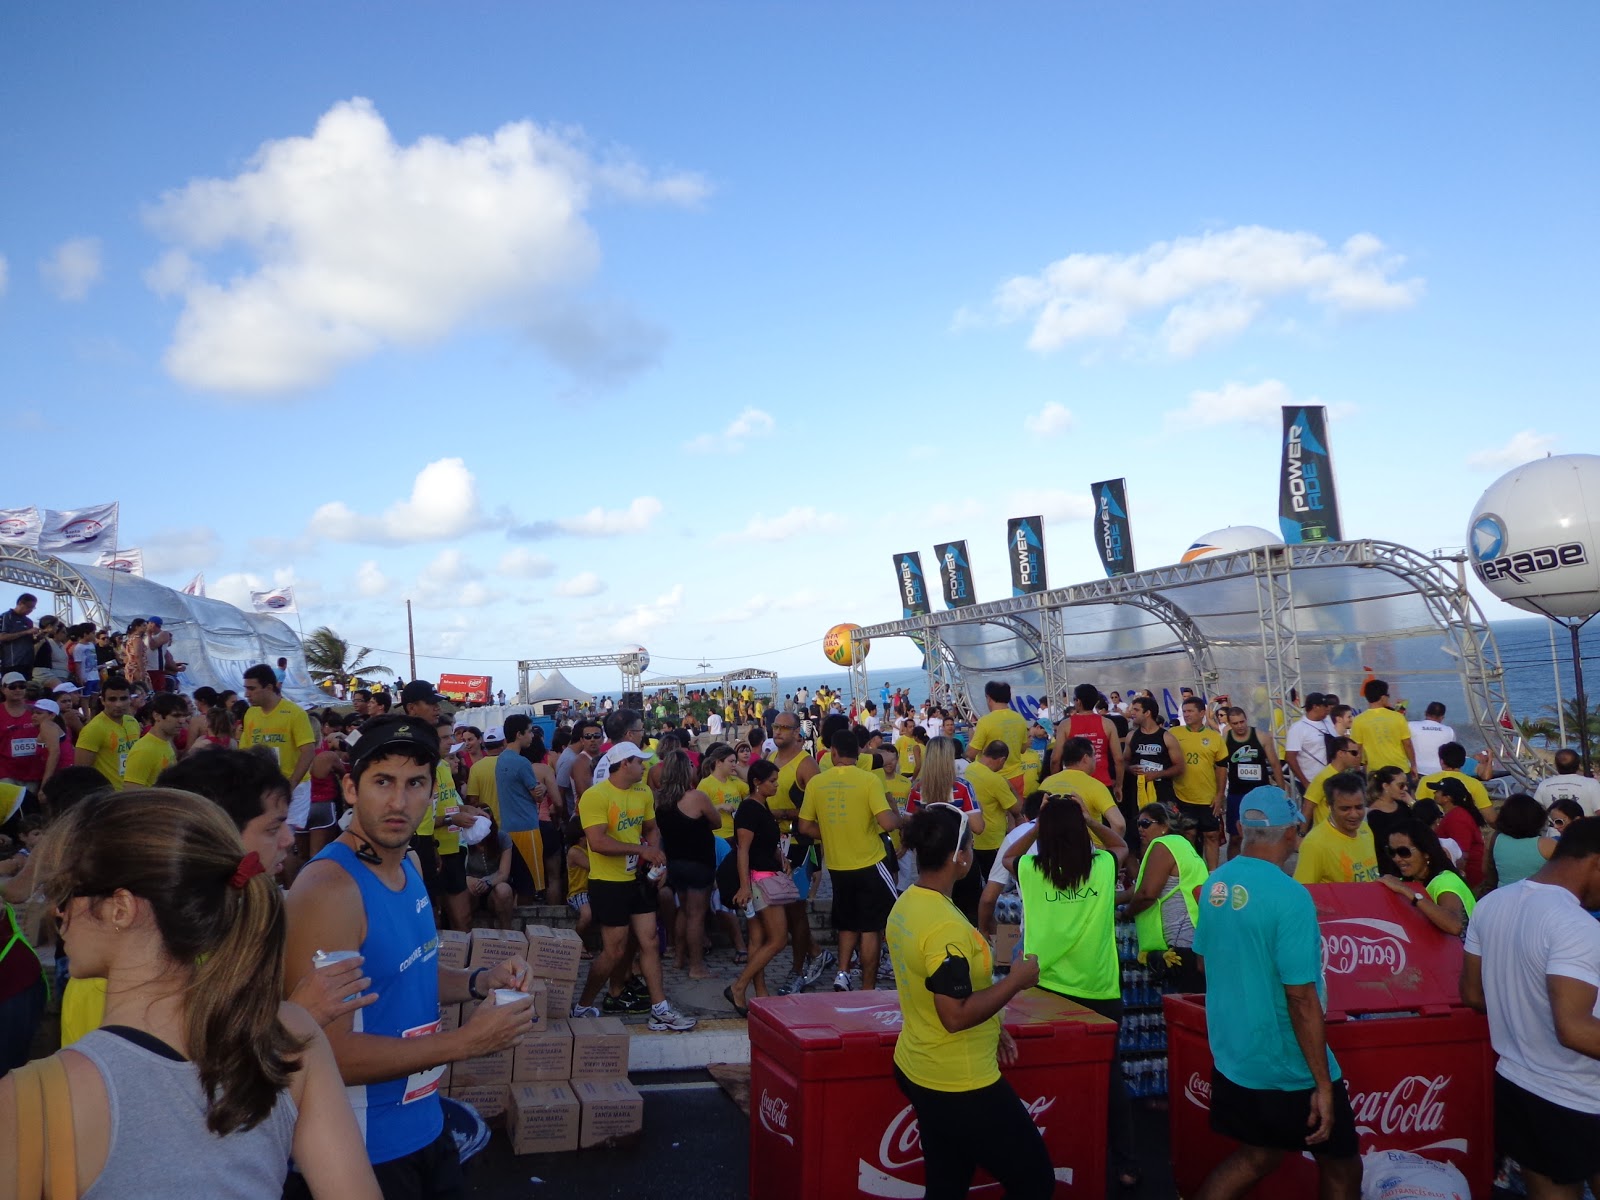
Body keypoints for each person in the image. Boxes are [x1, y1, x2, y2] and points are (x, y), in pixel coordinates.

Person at [1, 787, 382, 1199]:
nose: (57, 910)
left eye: (65, 892)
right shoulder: (291, 1034)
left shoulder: (31, 1099)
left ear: (121, 909)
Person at [283, 715, 538, 1195]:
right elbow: (319, 1053)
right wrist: (467, 1042)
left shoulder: (410, 863)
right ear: (351, 789)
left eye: (415, 783)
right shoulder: (328, 889)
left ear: (433, 791)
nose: (399, 802)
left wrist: (481, 980)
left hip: (424, 1125)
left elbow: (406, 969)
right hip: (361, 1148)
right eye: (383, 782)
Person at [1191, 785, 1360, 1200]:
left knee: (1257, 1157)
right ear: (1291, 834)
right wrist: (1322, 1083)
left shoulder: (1217, 882)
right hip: (1287, 1062)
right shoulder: (1290, 896)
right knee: (1343, 1165)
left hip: (1235, 1054)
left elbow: (1203, 961)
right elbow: (1301, 998)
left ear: (1240, 828)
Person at [885, 804, 1052, 1200]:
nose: (973, 851)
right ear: (958, 856)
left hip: (919, 1064)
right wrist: (1015, 982)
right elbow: (955, 1016)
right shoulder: (945, 927)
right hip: (958, 1080)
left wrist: (992, 1025)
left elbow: (946, 996)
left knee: (947, 1185)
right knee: (1035, 1182)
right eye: (971, 844)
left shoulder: (909, 901)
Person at [1003, 790, 1137, 1188]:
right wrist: (1088, 818)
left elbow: (1008, 855)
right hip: (1099, 986)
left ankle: (1055, 1151)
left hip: (1042, 988)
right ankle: (1126, 1163)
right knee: (1110, 1079)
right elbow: (1121, 843)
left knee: (1048, 1076)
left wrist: (1038, 822)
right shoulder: (1101, 867)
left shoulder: (1031, 869)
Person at [1461, 817, 1600, 1199]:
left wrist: (1527, 1007)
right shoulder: (1577, 927)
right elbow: (1573, 1028)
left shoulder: (1490, 904)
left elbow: (1472, 994)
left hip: (1518, 1084)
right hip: (1583, 1095)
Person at [572, 742, 697, 1031]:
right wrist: (641, 851)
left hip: (638, 880)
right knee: (613, 951)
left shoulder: (642, 792)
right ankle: (583, 1005)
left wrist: (655, 861)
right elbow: (597, 842)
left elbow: (651, 828)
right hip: (608, 882)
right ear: (624, 764)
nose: (645, 768)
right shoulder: (595, 796)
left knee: (650, 942)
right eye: (639, 762)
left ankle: (660, 1008)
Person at [796, 729, 906, 992]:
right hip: (870, 862)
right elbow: (887, 822)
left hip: (837, 866)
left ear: (833, 753)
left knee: (847, 922)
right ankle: (868, 988)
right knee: (872, 928)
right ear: (858, 754)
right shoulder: (868, 780)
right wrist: (901, 817)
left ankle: (843, 973)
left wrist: (832, 834)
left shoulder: (816, 783)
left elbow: (804, 826)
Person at [722, 759, 793, 1012]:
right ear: (757, 783)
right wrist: (744, 887)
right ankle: (739, 986)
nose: (776, 785)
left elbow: (765, 843)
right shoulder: (750, 809)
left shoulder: (762, 806)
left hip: (763, 874)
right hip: (759, 880)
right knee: (778, 939)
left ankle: (759, 991)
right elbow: (743, 850)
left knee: (758, 938)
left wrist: (780, 858)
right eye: (772, 781)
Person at [1119, 802, 1207, 992]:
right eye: (1139, 825)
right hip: (1197, 938)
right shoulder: (1183, 846)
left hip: (1180, 944)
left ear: (1164, 826)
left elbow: (1146, 894)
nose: (1140, 829)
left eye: (1146, 823)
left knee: (1184, 1008)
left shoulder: (1163, 845)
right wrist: (1107, 898)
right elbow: (1137, 890)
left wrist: (1127, 913)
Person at [241, 663, 316, 872]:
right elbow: (246, 752)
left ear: (269, 687)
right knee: (262, 841)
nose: (247, 694)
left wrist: (290, 785)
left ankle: (290, 894)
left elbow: (308, 751)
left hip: (295, 787)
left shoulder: (294, 713)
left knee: (284, 842)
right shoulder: (250, 715)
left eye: (252, 688)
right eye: (246, 688)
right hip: (264, 788)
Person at [654, 749, 719, 982]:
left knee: (683, 910)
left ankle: (679, 958)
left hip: (675, 862)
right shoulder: (696, 797)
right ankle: (696, 966)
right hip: (699, 861)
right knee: (696, 915)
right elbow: (717, 822)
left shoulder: (660, 801)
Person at [1379, 821, 1474, 936]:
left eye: (1404, 852)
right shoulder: (1412, 880)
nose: (1397, 859)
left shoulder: (1445, 881)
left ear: (1426, 853)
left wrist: (1406, 891)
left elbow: (1455, 926)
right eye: (1391, 852)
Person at [957, 740, 1018, 912]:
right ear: (1001, 759)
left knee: (974, 889)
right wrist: (1011, 787)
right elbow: (1016, 808)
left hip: (970, 841)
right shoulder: (996, 780)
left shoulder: (969, 769)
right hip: (992, 842)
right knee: (996, 890)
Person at [495, 714, 548, 902]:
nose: (532, 736)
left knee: (516, 884)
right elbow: (537, 794)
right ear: (519, 734)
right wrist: (544, 787)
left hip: (508, 827)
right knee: (531, 886)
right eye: (530, 732)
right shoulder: (522, 762)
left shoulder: (501, 759)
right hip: (527, 828)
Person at [1171, 696, 1228, 868]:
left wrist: (1219, 795)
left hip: (1208, 798)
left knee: (1211, 835)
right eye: (1184, 711)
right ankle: (1193, 873)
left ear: (1202, 713)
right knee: (1188, 834)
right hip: (1182, 796)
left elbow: (1221, 768)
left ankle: (1212, 875)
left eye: (1190, 711)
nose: (1186, 715)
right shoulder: (1174, 734)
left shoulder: (1214, 737)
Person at [1293, 772, 1380, 885]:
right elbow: (1303, 891)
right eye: (1345, 809)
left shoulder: (1365, 829)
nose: (1354, 814)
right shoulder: (1315, 844)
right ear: (1329, 805)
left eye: (1359, 807)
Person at [1221, 706, 1285, 855]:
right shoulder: (1225, 740)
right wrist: (1220, 794)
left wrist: (1281, 793)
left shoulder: (1262, 737)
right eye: (1235, 723)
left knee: (1263, 835)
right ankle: (1234, 871)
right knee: (1235, 837)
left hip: (1260, 794)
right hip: (1237, 793)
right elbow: (1220, 768)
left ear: (1246, 719)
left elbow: (1275, 765)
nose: (1240, 726)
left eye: (1242, 722)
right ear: (1230, 724)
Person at [1051, 682, 1124, 791]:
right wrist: (1119, 785)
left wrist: (1055, 783)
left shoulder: (1066, 724)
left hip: (1073, 785)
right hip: (1102, 784)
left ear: (1078, 701)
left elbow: (1055, 759)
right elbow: (1119, 759)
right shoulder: (1107, 724)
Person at [74, 674, 140, 789]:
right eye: (112, 699)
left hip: (132, 793)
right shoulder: (93, 729)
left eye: (123, 698)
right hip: (109, 797)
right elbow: (81, 773)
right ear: (103, 701)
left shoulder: (132, 722)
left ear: (130, 699)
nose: (118, 704)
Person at [1484, 792, 1557, 889]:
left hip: (1504, 895)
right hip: (1538, 897)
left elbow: (1485, 870)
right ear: (1538, 818)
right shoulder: (1549, 845)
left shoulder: (1493, 838)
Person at [969, 681, 1029, 798]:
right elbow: (1023, 749)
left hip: (991, 778)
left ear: (988, 698)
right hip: (1016, 777)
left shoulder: (985, 721)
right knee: (1016, 813)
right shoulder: (1020, 719)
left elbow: (971, 753)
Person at [1126, 695, 1183, 811]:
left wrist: (1157, 774)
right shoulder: (1131, 736)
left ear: (1147, 713)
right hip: (1138, 793)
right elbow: (1123, 761)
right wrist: (1130, 768)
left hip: (1162, 792)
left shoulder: (1167, 737)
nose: (1132, 713)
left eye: (1136, 710)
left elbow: (1180, 767)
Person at [1415, 741, 1494, 823]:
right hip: (1463, 826)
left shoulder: (1426, 780)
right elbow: (1491, 818)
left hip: (1436, 828)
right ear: (1463, 762)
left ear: (1442, 761)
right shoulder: (1475, 784)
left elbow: (1419, 811)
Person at [122, 692, 189, 787]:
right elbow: (131, 794)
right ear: (157, 716)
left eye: (184, 716)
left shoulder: (165, 743)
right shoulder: (144, 750)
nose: (182, 721)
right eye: (176, 716)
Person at [1350, 679, 1415, 776]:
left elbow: (1357, 749)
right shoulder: (1398, 717)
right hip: (1399, 769)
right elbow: (1407, 744)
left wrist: (1357, 769)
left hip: (1375, 771)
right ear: (1382, 697)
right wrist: (1413, 764)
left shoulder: (1359, 720)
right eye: (1388, 695)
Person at [1432, 777, 1488, 890]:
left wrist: (1459, 880)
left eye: (1437, 791)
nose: (1434, 793)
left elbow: (1462, 854)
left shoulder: (1457, 818)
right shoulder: (1455, 815)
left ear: (1447, 798)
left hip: (1469, 877)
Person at [1301, 736, 1363, 828]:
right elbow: (1308, 807)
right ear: (1341, 753)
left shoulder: (1347, 776)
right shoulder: (1323, 777)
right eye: (1354, 753)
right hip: (1326, 835)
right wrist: (1301, 833)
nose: (1358, 756)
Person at [1364, 766, 1414, 877]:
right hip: (1389, 868)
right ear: (1386, 786)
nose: (1405, 788)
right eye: (1401, 785)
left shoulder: (1403, 805)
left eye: (1406, 784)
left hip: (1409, 863)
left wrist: (1412, 803)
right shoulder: (1374, 815)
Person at [1533, 748, 1600, 818]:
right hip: (1584, 827)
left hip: (1554, 828)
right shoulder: (1591, 784)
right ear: (1578, 765)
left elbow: (1536, 811)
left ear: (1556, 765)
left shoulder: (1544, 785)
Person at [1407, 701, 1455, 776]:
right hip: (1439, 773)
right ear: (1442, 717)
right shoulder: (1449, 731)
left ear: (1425, 713)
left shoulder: (1410, 726)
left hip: (1416, 771)